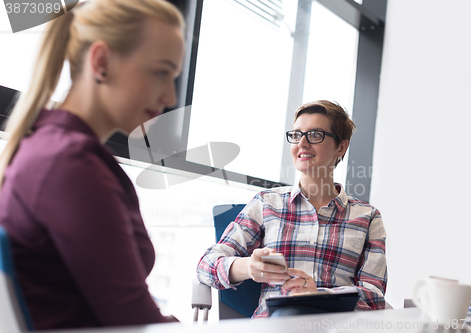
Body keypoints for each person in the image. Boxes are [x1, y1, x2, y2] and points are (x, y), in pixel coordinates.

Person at [0, 0, 184, 330]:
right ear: (101, 63)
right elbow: (132, 320)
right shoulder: (69, 164)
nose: (170, 96)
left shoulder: (54, 149)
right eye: (160, 72)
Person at [197, 100, 387, 318]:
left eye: (315, 135)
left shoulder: (367, 217)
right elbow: (206, 265)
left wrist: (320, 295)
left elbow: (375, 297)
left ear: (341, 147)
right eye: (296, 135)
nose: (302, 143)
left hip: (336, 326)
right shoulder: (267, 203)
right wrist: (249, 266)